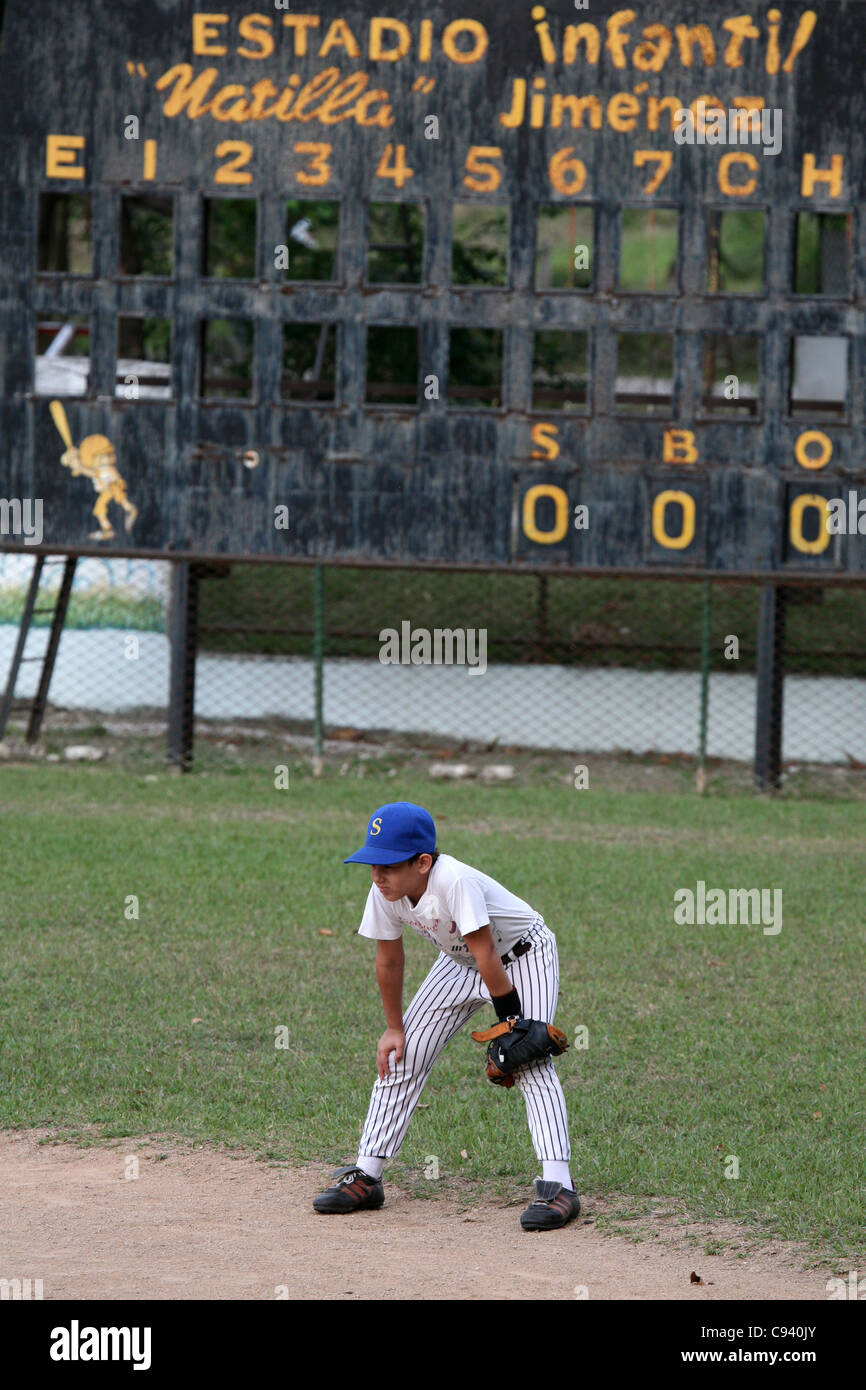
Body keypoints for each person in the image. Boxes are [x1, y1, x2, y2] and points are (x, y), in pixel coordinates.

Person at [312, 801, 579, 1231]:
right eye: (371, 864)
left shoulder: (453, 881)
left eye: (387, 865)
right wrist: (393, 1027)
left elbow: (488, 952)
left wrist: (512, 1023)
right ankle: (368, 1174)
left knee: (527, 1060)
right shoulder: (386, 893)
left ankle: (558, 1185)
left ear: (422, 862)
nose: (377, 875)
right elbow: (389, 960)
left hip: (520, 957)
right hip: (459, 962)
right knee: (406, 1051)